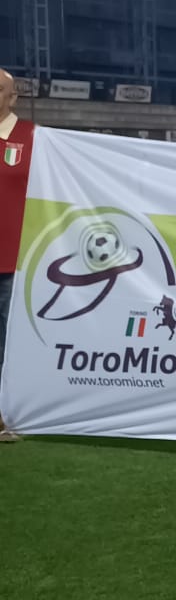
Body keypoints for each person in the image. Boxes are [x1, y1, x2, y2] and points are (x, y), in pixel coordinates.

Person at [0, 67, 33, 443]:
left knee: (10, 346)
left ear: (13, 98)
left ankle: (7, 415)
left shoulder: (35, 138)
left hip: (16, 264)